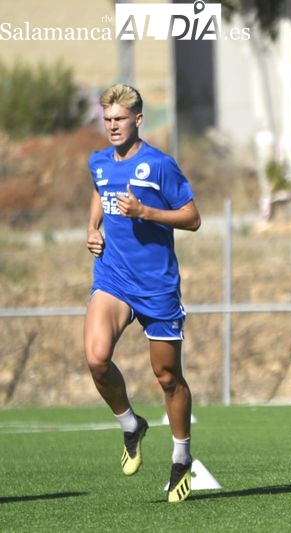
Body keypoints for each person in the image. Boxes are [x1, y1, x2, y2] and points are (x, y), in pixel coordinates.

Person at [84, 84, 201, 503]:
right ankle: (131, 424)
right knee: (97, 359)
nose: (113, 126)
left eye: (121, 119)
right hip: (113, 278)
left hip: (157, 287)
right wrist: (93, 227)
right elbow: (100, 191)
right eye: (108, 119)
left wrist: (146, 212)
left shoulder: (160, 165)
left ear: (138, 120)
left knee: (168, 377)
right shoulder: (98, 162)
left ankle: (182, 456)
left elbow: (192, 218)